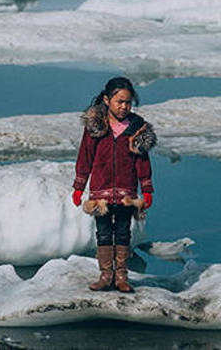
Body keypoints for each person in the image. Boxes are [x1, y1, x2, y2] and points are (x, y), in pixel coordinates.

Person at [72, 76, 156, 293]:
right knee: (103, 232)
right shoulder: (96, 125)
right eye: (119, 101)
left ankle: (121, 276)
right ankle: (105, 275)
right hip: (101, 190)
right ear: (108, 100)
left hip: (126, 191)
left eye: (128, 102)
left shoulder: (137, 127)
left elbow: (142, 161)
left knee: (123, 232)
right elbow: (85, 156)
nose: (124, 106)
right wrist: (79, 186)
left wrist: (146, 188)